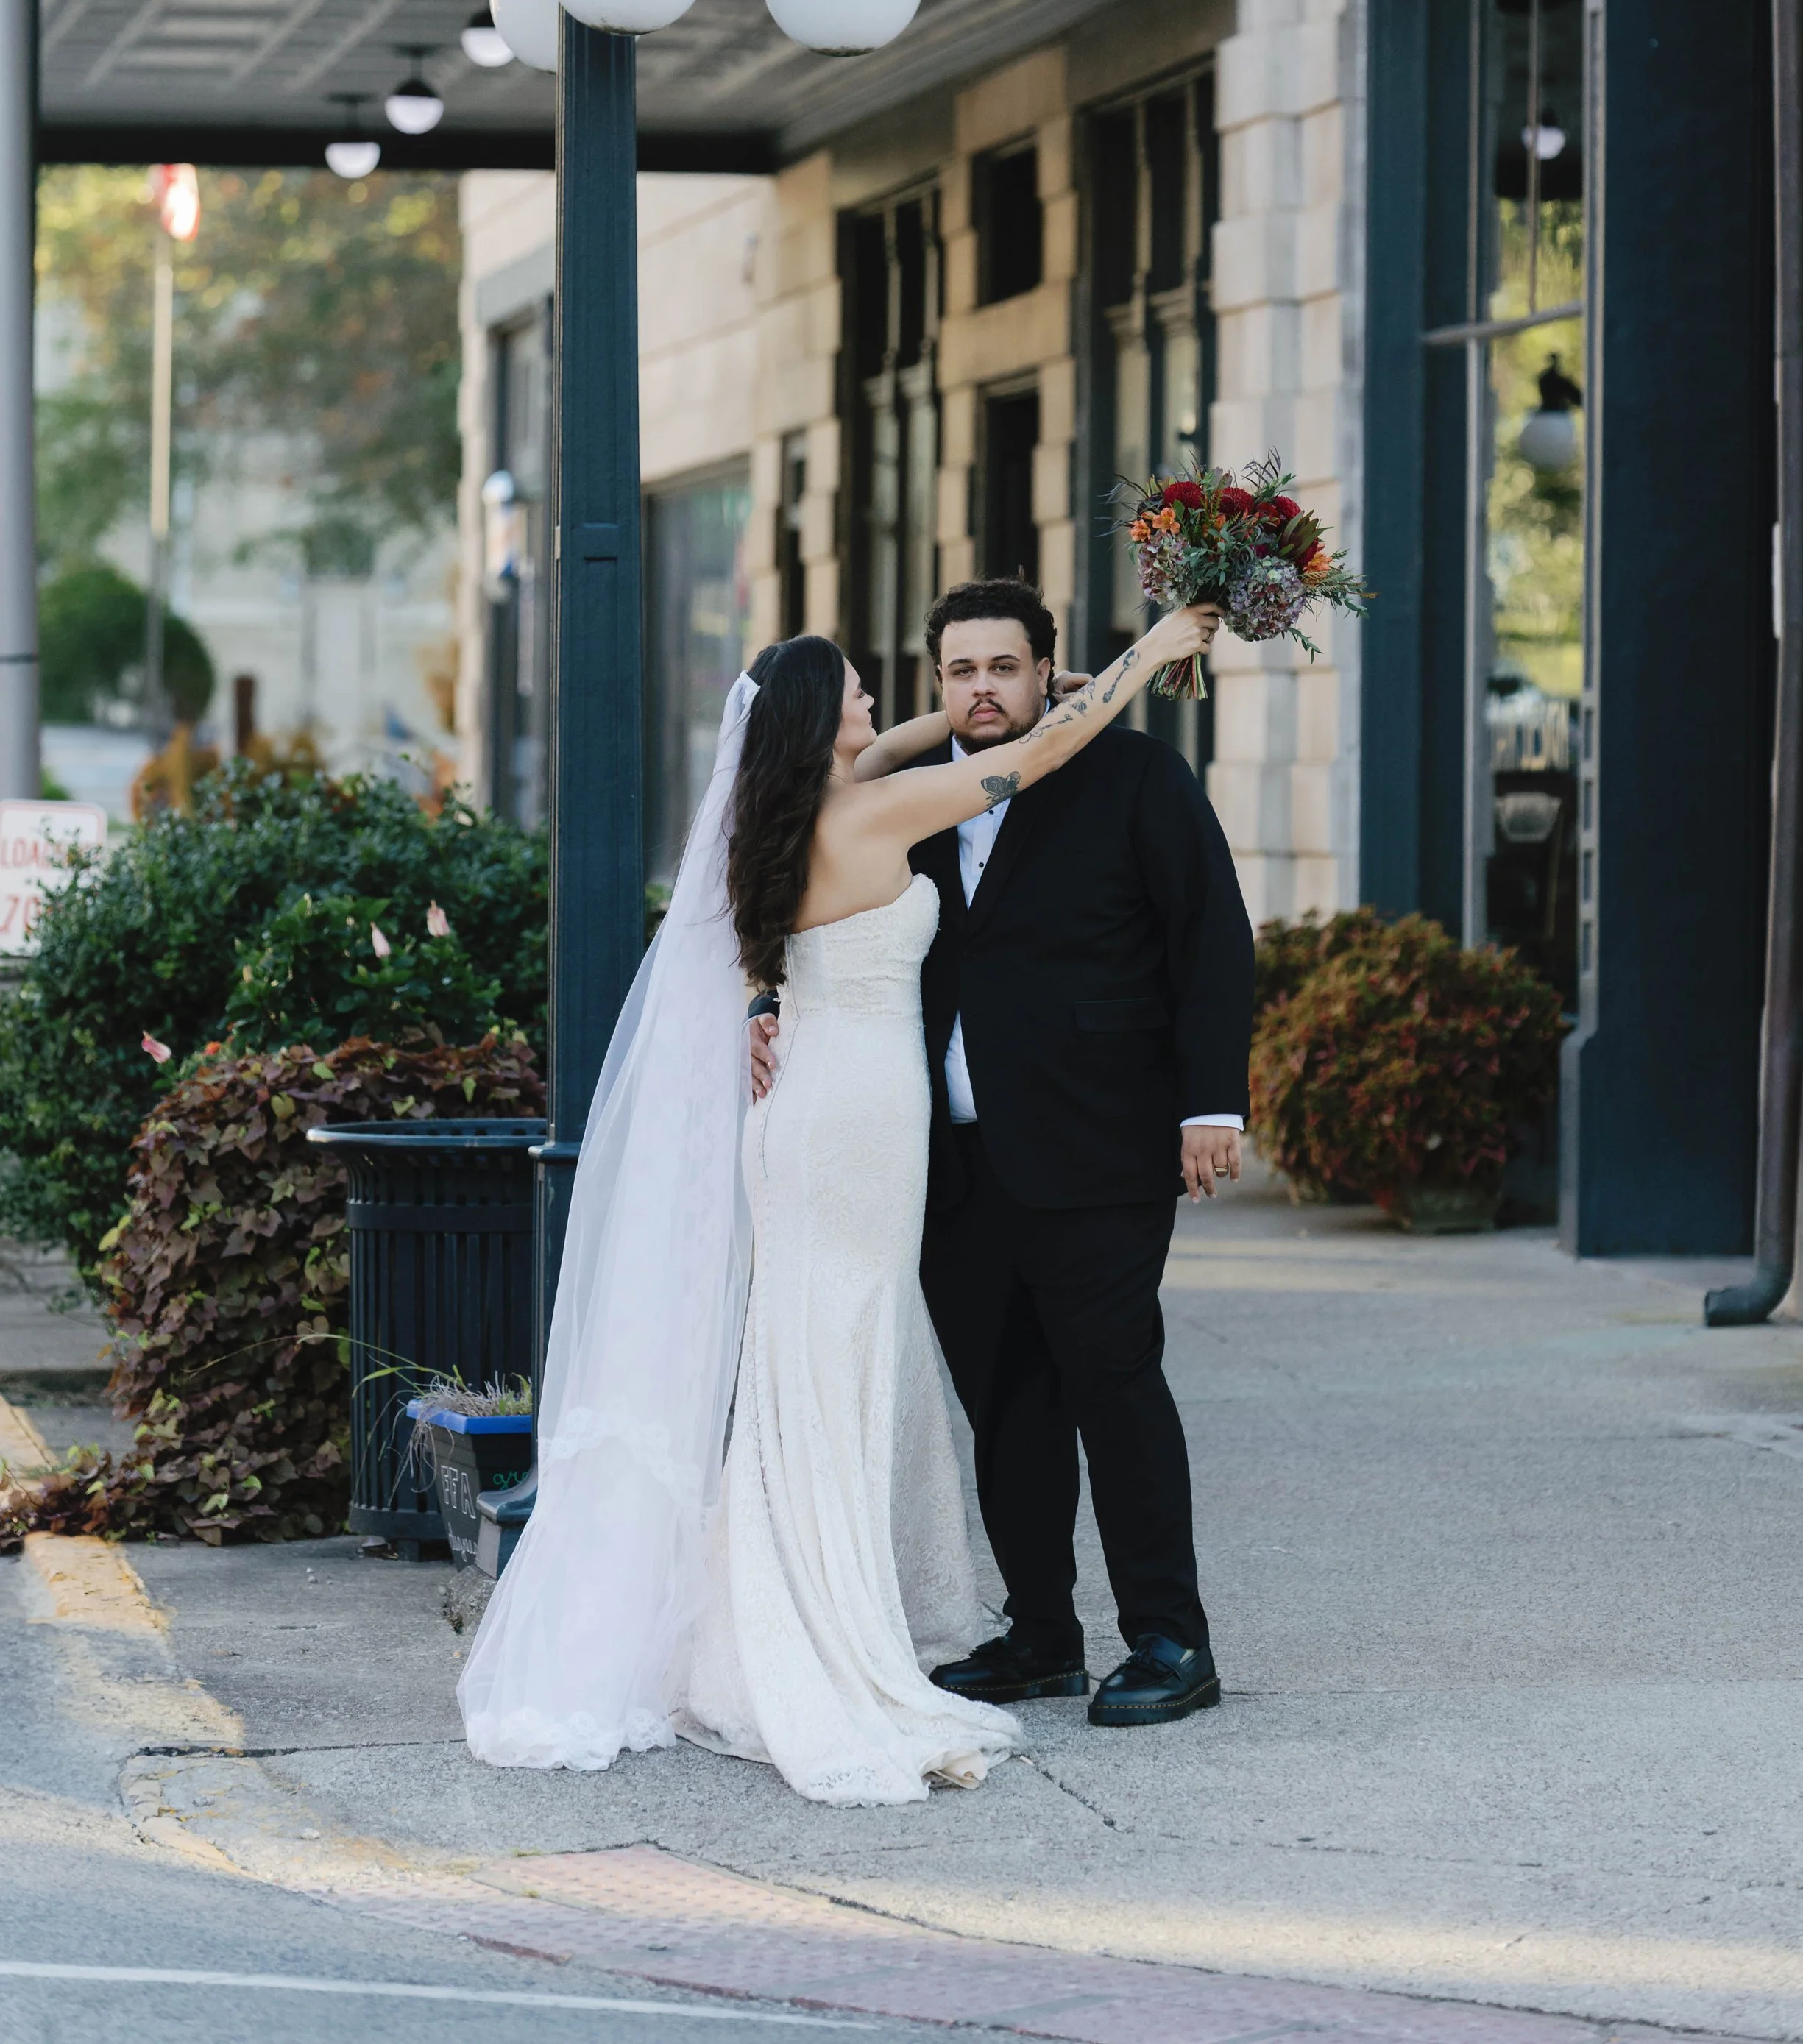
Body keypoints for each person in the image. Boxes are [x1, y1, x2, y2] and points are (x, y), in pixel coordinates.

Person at [457, 597, 1221, 1806]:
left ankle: (836, 1606)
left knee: (806, 1362)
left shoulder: (785, 814)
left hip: (821, 1120)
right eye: (870, 693)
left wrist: (988, 691)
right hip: (861, 1128)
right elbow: (1030, 755)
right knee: (847, 1360)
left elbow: (938, 742)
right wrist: (1144, 655)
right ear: (825, 724)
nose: (888, 706)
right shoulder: (876, 808)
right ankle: (841, 1624)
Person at [751, 578, 1255, 1731]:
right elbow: (787, 899)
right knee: (1007, 1402)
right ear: (939, 684)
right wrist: (763, 1004)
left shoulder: (1136, 780)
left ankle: (1171, 1637)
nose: (983, 689)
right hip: (939, 1158)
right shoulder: (902, 798)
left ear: (1048, 671)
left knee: (1114, 1381)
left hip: (1101, 1146)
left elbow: (1210, 940)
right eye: (960, 671)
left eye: (1004, 667)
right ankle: (1040, 1632)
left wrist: (1210, 1105)